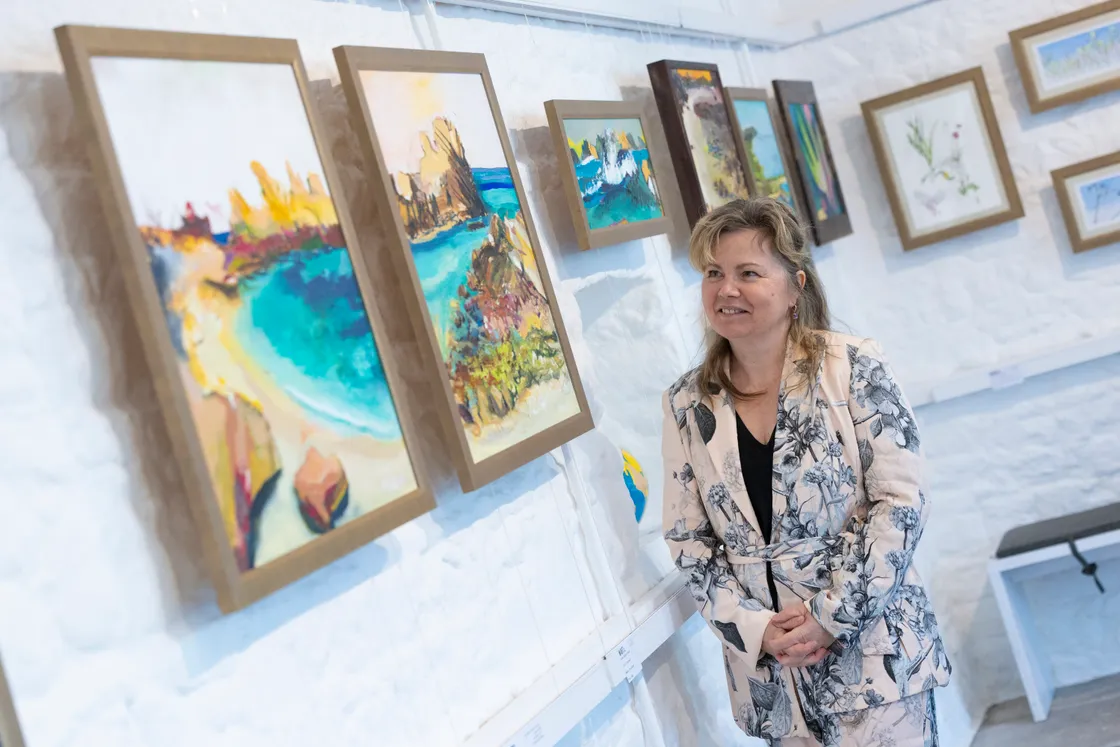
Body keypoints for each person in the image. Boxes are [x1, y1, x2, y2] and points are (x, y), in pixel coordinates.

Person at [661, 198, 950, 746]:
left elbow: (902, 503)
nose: (726, 290)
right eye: (713, 274)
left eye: (749, 273)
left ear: (795, 287)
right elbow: (687, 539)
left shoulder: (853, 364)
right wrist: (755, 630)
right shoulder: (686, 402)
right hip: (772, 678)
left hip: (873, 653)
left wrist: (831, 615)